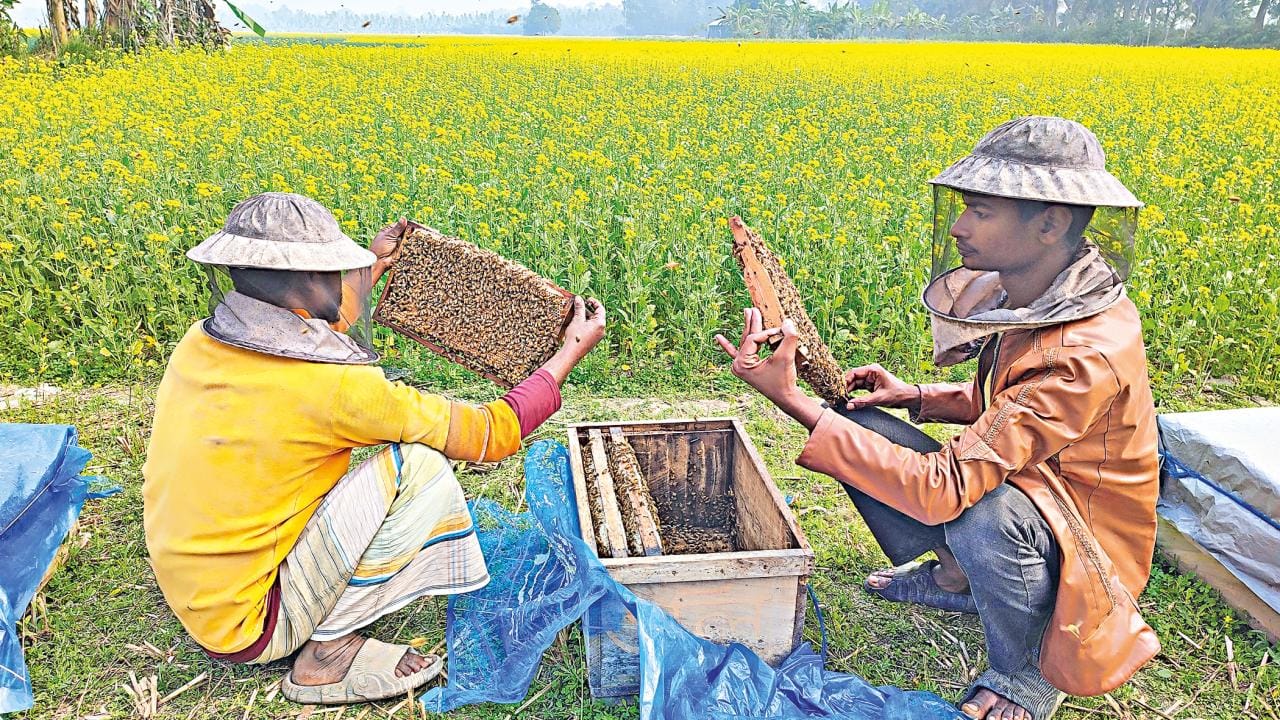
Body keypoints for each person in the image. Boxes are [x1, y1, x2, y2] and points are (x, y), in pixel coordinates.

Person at [716, 116, 1160, 720]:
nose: (958, 227)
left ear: (1050, 222)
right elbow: (1013, 409)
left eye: (980, 211)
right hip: (1039, 487)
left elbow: (946, 489)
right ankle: (956, 578)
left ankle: (1027, 669)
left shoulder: (1084, 353)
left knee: (982, 511)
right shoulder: (1043, 290)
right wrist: (914, 397)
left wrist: (794, 400)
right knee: (862, 427)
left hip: (1084, 539)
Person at [142, 192, 606, 704]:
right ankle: (328, 655)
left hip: (198, 590)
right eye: (334, 271)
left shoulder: (200, 343)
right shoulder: (338, 391)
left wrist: (377, 262)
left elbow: (302, 324)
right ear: (315, 278)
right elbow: (486, 434)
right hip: (252, 624)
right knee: (420, 468)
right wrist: (567, 354)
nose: (343, 279)